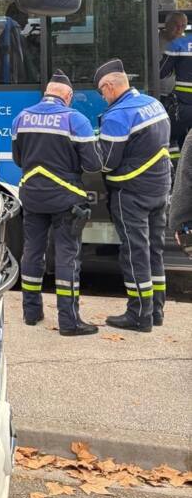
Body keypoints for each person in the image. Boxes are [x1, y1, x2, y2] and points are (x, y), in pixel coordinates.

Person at [11, 71, 102, 335]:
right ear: (68, 96)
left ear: (47, 92)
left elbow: (19, 159)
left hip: (32, 197)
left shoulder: (21, 118)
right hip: (66, 202)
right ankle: (69, 321)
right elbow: (93, 164)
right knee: (67, 257)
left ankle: (31, 312)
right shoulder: (76, 120)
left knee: (32, 253)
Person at [96, 59, 171, 330]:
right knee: (154, 250)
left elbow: (107, 162)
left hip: (131, 193)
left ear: (110, 86)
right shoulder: (154, 104)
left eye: (102, 92)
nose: (103, 97)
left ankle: (139, 314)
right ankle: (156, 311)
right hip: (160, 188)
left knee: (134, 252)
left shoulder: (118, 116)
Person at [158, 12, 192, 147]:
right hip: (158, 93)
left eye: (183, 26)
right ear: (166, 25)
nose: (179, 29)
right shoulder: (153, 40)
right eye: (176, 25)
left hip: (178, 99)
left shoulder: (184, 44)